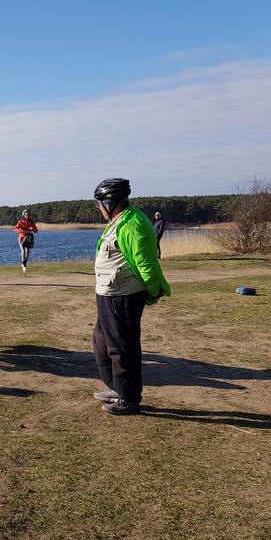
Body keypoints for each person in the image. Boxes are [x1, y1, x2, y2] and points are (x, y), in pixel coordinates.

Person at [91, 178, 170, 415]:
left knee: (122, 347)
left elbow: (145, 261)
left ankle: (130, 398)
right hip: (108, 294)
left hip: (122, 296)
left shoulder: (132, 223)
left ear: (109, 202)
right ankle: (118, 387)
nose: (98, 209)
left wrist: (153, 290)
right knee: (101, 343)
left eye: (99, 204)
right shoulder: (120, 220)